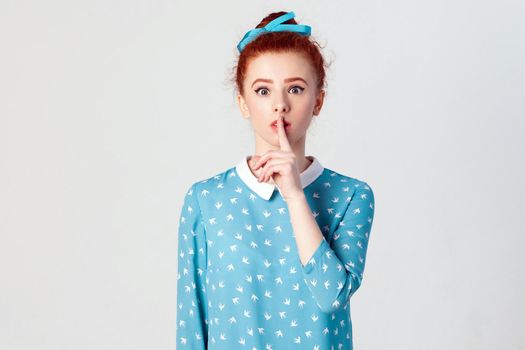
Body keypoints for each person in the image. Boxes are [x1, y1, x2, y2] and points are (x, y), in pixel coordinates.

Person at [175, 10, 375, 349]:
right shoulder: (206, 201)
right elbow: (192, 327)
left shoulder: (351, 196)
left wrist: (295, 196)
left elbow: (331, 296)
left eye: (295, 89)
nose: (280, 105)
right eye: (263, 91)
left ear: (318, 101)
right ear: (243, 102)